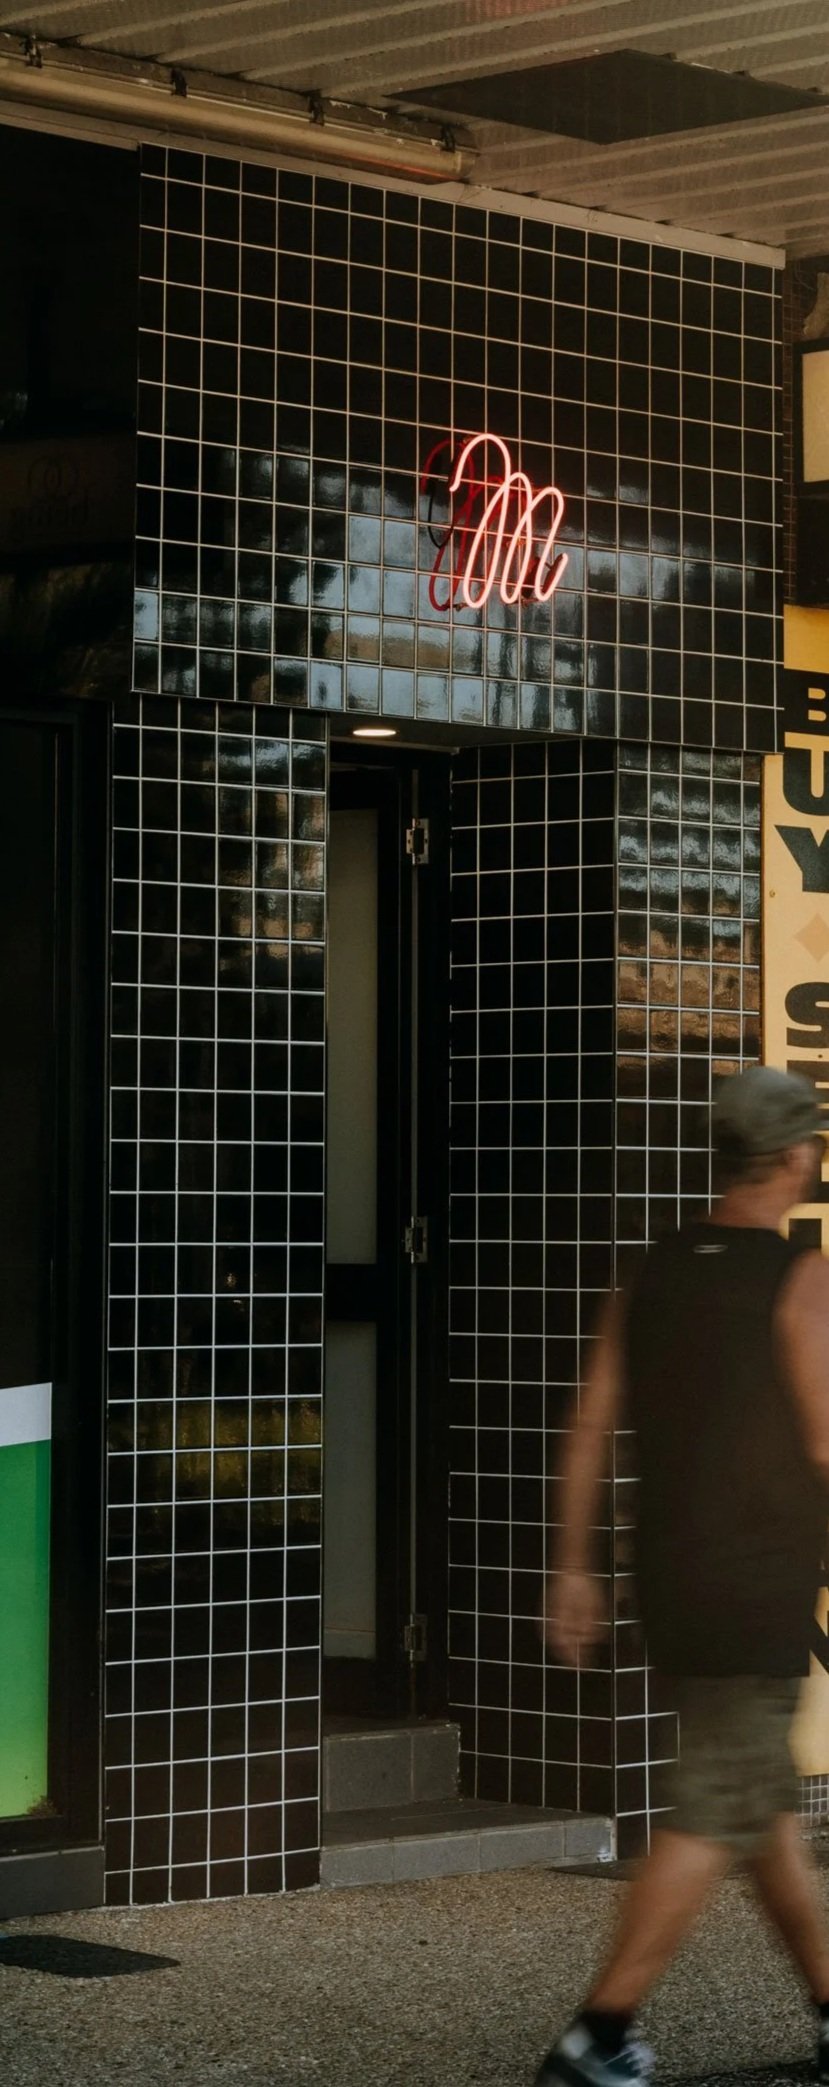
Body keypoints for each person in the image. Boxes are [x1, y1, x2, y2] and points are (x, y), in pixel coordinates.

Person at [535, 1065, 829, 2086]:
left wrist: (572, 1567)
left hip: (669, 1576)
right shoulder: (801, 1276)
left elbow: (586, 1429)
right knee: (716, 1802)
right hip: (757, 1580)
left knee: (760, 1804)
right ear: (794, 1156)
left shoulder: (650, 1269)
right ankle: (599, 2030)